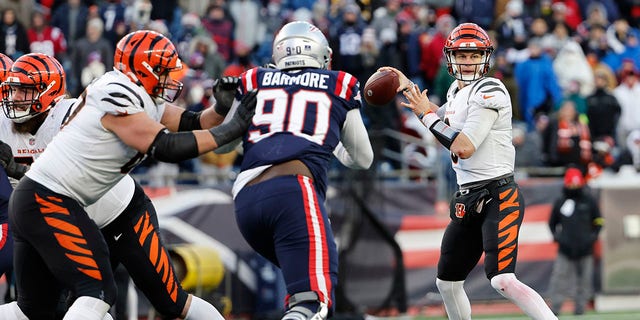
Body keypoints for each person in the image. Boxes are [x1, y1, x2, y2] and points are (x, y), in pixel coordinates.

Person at [0, 30, 256, 320]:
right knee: (89, 296)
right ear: (145, 69)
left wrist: (222, 110)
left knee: (163, 301)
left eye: (26, 90)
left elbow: (192, 123)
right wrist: (231, 130)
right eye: (163, 71)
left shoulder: (128, 95)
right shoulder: (114, 94)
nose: (171, 80)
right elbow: (166, 147)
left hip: (112, 210)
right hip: (57, 204)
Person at [381, 23, 558, 320]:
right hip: (467, 198)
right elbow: (441, 117)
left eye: (473, 55)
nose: (467, 61)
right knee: (447, 283)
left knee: (502, 279)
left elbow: (464, 146)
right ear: (450, 59)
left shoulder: (490, 89)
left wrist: (425, 115)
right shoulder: (456, 92)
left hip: (497, 195)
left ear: (485, 58)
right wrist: (408, 87)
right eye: (461, 56)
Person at [230, 21, 373, 320]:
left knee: (305, 297)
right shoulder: (339, 83)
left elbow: (219, 145)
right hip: (293, 193)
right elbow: (363, 158)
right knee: (313, 303)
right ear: (322, 55)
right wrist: (329, 138)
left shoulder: (254, 79)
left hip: (245, 202)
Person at [548, 167, 603, 316]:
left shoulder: (589, 200)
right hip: (565, 249)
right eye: (570, 185)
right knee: (559, 279)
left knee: (584, 281)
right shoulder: (560, 201)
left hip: (586, 249)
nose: (573, 188)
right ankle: (555, 309)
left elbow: (598, 220)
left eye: (575, 185)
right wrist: (557, 237)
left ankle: (580, 309)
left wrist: (593, 236)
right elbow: (552, 223)